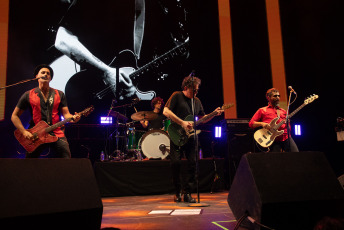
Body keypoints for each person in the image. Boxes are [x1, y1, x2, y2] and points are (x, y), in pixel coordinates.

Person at [163, 75, 223, 203]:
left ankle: (188, 193)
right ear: (186, 88)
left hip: (191, 136)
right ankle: (178, 191)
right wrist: (182, 123)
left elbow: (203, 118)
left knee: (193, 164)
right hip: (177, 134)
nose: (196, 92)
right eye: (193, 90)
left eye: (197, 90)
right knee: (175, 163)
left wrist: (213, 113)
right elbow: (166, 111)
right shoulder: (177, 96)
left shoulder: (197, 101)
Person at [11, 64, 81, 158]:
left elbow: (66, 114)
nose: (46, 74)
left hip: (56, 133)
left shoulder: (59, 94)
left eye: (48, 73)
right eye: (43, 72)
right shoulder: (28, 95)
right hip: (36, 135)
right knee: (29, 164)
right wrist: (24, 132)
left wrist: (73, 118)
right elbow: (14, 116)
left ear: (50, 78)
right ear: (36, 76)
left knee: (66, 159)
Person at [249, 88, 299, 152]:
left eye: (278, 96)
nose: (277, 97)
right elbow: (251, 123)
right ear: (268, 97)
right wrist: (262, 124)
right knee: (275, 160)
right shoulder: (262, 110)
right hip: (272, 139)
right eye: (275, 96)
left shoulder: (283, 111)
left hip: (286, 137)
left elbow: (288, 126)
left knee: (296, 156)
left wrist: (287, 124)